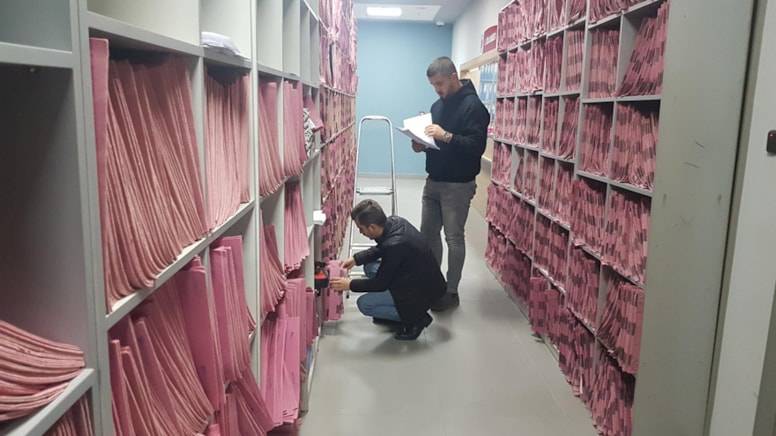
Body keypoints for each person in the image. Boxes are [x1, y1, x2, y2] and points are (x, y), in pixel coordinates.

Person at [412, 56, 491, 312]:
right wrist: (421, 144)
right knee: (428, 234)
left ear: (453, 77)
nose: (437, 89)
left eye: (440, 83)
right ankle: (433, 283)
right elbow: (435, 144)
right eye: (433, 85)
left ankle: (451, 291)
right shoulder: (437, 106)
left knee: (454, 237)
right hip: (433, 181)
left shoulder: (474, 107)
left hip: (457, 185)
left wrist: (445, 135)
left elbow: (475, 146)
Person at [329, 200, 446, 341]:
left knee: (365, 304)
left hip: (421, 291)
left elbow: (380, 284)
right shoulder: (395, 222)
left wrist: (350, 284)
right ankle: (398, 313)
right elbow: (382, 248)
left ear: (372, 227)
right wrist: (356, 259)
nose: (361, 232)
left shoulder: (395, 245)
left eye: (361, 228)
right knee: (369, 266)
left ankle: (417, 318)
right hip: (416, 277)